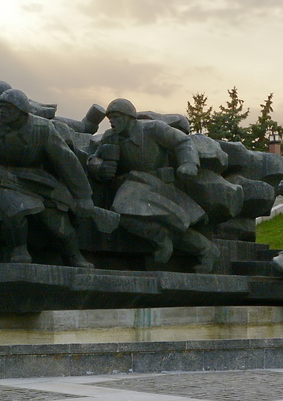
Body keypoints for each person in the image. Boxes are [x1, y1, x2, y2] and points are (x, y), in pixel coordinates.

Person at [0, 89, 98, 268]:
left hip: (33, 178)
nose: (3, 111)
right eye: (1, 107)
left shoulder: (42, 129)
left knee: (56, 216)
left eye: (9, 108)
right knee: (14, 208)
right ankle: (19, 250)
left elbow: (66, 161)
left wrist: (83, 196)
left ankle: (75, 255)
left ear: (22, 111)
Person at [87, 98, 220, 273]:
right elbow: (94, 157)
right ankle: (190, 246)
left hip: (157, 185)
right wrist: (100, 168)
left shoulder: (153, 129)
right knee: (140, 217)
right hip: (132, 186)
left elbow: (183, 142)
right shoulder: (110, 137)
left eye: (116, 117)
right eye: (109, 118)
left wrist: (189, 163)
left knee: (171, 222)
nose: (111, 121)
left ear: (129, 117)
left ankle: (199, 248)